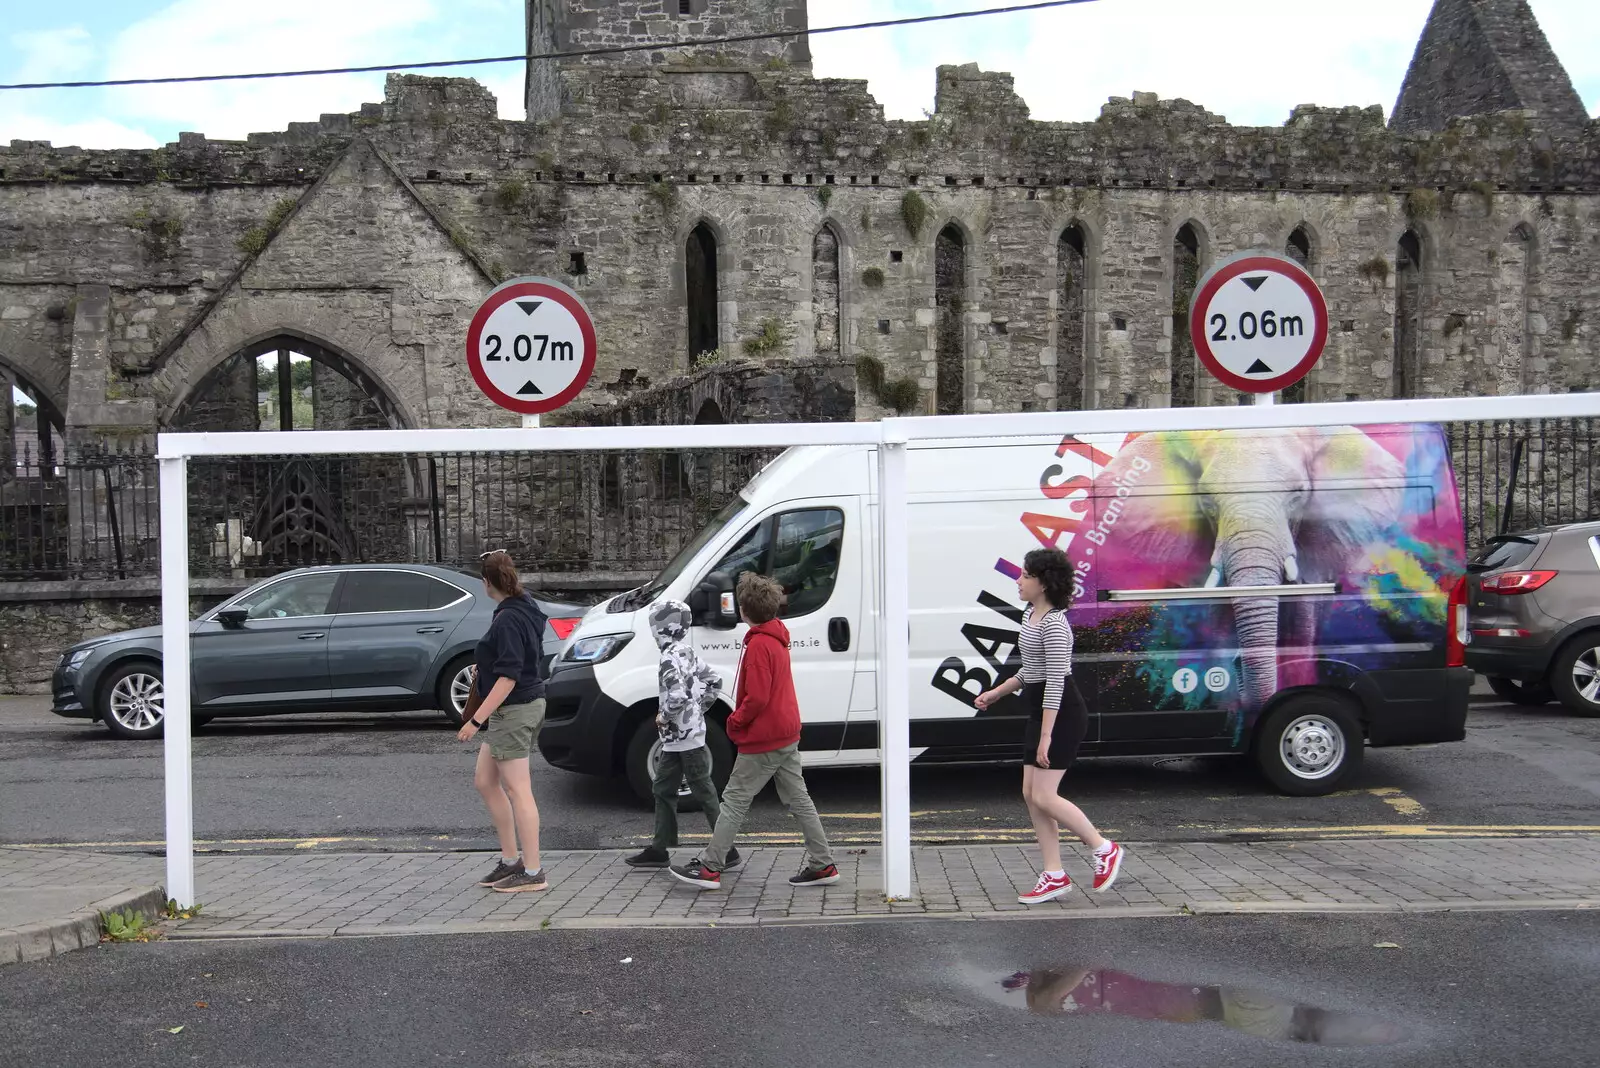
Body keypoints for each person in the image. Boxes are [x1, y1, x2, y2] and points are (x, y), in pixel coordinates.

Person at [669, 572, 838, 890]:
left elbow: (757, 697)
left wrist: (735, 721)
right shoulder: (777, 638)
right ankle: (823, 863)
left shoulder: (759, 645)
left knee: (734, 800)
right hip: (786, 732)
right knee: (798, 799)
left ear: (744, 611)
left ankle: (710, 866)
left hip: (764, 737)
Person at [975, 547, 1124, 903]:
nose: (1019, 580)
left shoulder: (1056, 624)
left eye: (1025, 575)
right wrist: (996, 693)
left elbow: (1055, 682)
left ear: (1043, 583)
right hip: (1040, 710)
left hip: (1061, 714)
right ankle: (1054, 874)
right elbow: (1032, 671)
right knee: (1032, 796)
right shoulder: (1031, 616)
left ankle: (1104, 848)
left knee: (1044, 794)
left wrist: (1046, 736)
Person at [457, 549, 550, 893]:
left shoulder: (509, 618)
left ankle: (533, 871)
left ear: (486, 582)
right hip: (518, 706)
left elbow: (509, 676)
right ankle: (511, 861)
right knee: (485, 780)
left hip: (514, 708)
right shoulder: (523, 605)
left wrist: (475, 721)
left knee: (518, 790)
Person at [624, 599, 740, 871]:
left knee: (704, 791)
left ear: (661, 628)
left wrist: (663, 716)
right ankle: (659, 848)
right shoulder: (687, 651)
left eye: (654, 626)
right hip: (680, 738)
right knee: (663, 788)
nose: (653, 632)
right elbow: (714, 682)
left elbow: (675, 696)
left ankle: (727, 850)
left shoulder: (667, 657)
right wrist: (699, 710)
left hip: (683, 737)